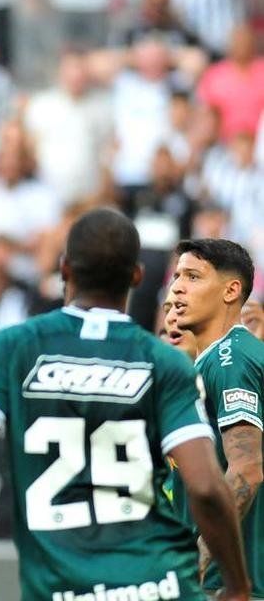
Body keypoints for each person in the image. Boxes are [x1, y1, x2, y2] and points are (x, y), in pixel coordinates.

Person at [0, 209, 251, 601]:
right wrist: (236, 585)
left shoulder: (13, 347)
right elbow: (207, 486)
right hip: (158, 584)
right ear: (136, 276)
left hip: (60, 588)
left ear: (64, 268)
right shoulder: (164, 361)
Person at [167, 238, 264, 598]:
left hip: (229, 586)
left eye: (193, 276)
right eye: (177, 276)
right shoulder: (214, 360)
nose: (178, 287)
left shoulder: (231, 359)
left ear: (231, 291)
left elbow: (247, 471)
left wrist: (199, 561)